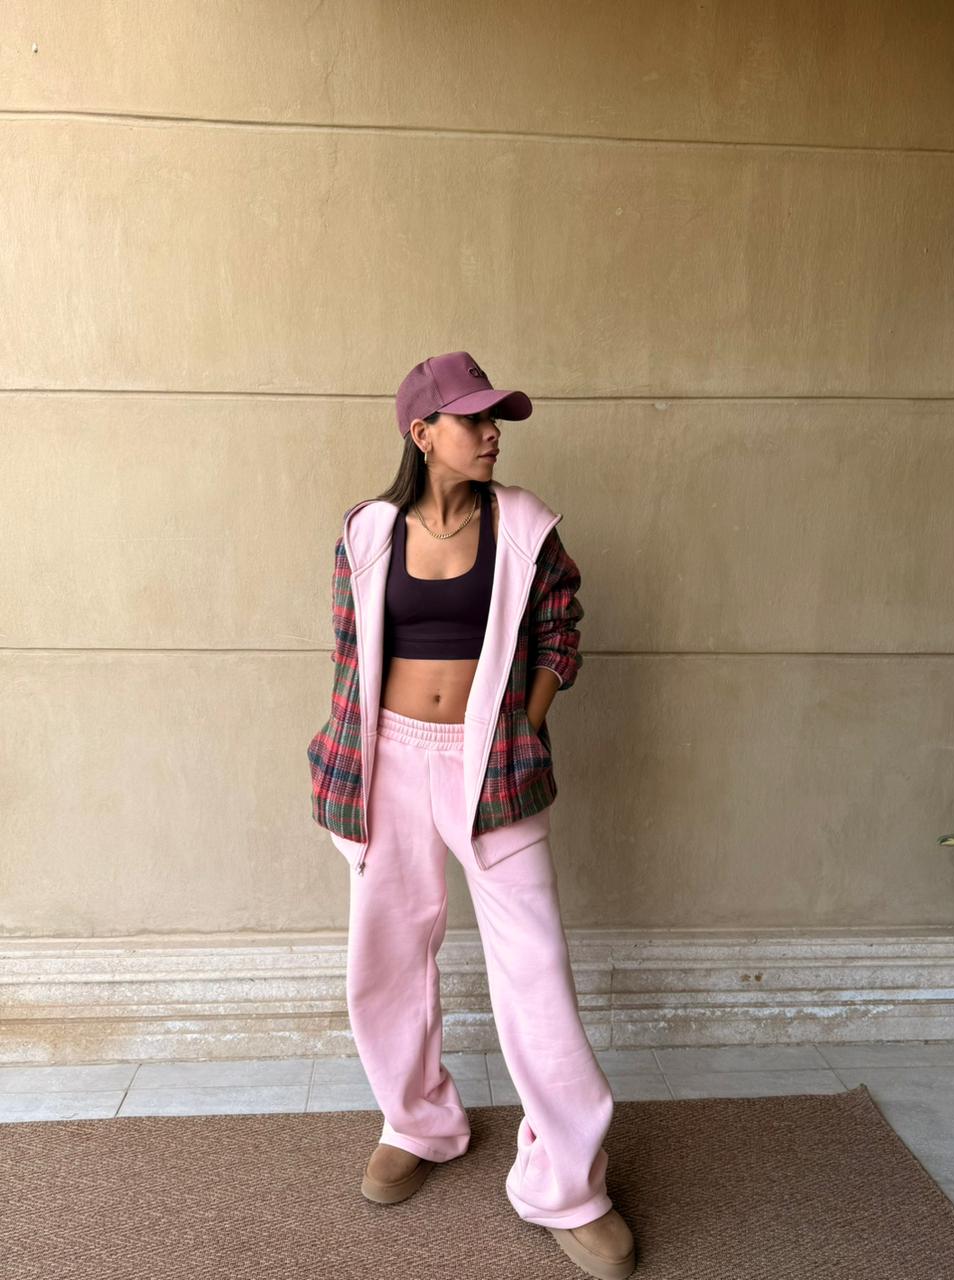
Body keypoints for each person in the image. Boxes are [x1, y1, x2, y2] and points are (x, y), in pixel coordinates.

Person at [308, 351, 636, 1279]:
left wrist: (524, 722)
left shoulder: (525, 526)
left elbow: (561, 629)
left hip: (491, 763)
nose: (493, 434)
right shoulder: (367, 532)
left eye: (497, 421)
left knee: (535, 966)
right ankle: (417, 1123)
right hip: (388, 761)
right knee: (386, 957)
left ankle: (567, 1182)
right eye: (474, 419)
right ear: (422, 432)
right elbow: (348, 657)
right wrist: (348, 765)